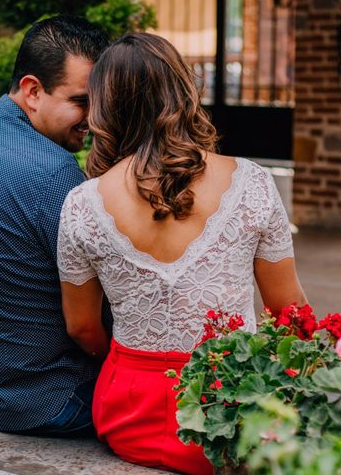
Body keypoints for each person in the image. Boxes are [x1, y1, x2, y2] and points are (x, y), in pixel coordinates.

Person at [57, 33, 306, 474]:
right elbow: (288, 312)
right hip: (229, 413)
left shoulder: (82, 203)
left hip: (126, 415)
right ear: (184, 91)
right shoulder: (252, 183)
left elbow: (81, 327)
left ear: (105, 107)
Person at [0, 16, 110, 435]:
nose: (96, 119)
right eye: (82, 102)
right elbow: (91, 326)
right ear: (32, 91)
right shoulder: (55, 174)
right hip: (47, 403)